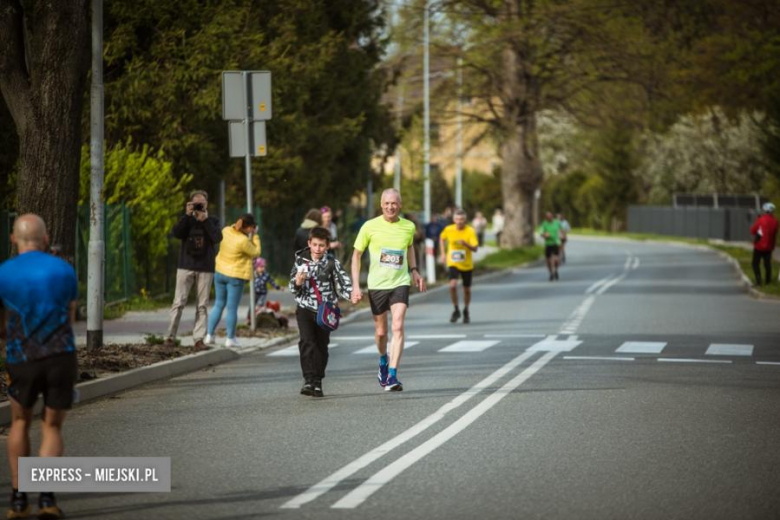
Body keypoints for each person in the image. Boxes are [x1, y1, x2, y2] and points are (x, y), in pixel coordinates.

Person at [0, 215, 77, 520]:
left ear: (12, 239)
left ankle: (19, 501)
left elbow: (1, 325)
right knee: (52, 426)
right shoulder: (65, 270)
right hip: (60, 357)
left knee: (19, 423)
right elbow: (70, 317)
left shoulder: (3, 272)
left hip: (22, 359)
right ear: (45, 240)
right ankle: (47, 498)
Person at [351, 188, 426, 392]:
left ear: (399, 205)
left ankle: (392, 375)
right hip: (377, 285)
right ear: (381, 205)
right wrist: (356, 286)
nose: (390, 207)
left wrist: (414, 271)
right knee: (381, 331)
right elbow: (356, 255)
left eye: (394, 203)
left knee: (398, 326)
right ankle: (383, 359)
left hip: (400, 282)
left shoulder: (408, 227)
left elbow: (409, 247)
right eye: (387, 203)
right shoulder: (369, 226)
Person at [290, 227, 352, 397]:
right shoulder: (300, 262)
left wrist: (352, 295)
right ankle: (309, 380)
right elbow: (293, 289)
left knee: (321, 346)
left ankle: (318, 381)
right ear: (309, 243)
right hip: (305, 308)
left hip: (326, 311)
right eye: (315, 245)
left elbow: (343, 283)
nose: (318, 249)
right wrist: (298, 283)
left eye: (322, 245)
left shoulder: (332, 263)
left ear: (327, 246)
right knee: (307, 342)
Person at [166, 190, 222, 350]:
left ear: (206, 204)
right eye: (195, 203)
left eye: (201, 203)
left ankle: (199, 339)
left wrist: (204, 220)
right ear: (190, 204)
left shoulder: (213, 220)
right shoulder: (186, 220)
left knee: (202, 305)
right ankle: (170, 337)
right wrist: (187, 216)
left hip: (205, 268)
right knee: (178, 303)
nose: (198, 206)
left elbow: (218, 238)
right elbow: (176, 233)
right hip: (185, 266)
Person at [206, 214, 260, 348]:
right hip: (235, 276)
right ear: (249, 228)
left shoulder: (225, 230)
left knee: (218, 304)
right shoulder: (243, 241)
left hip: (219, 272)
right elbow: (256, 253)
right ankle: (230, 338)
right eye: (252, 227)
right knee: (232, 308)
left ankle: (209, 336)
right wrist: (256, 236)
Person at [440, 209, 479, 324]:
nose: (459, 222)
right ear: (453, 220)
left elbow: (475, 248)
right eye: (457, 219)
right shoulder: (449, 229)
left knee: (466, 289)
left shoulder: (470, 231)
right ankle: (456, 309)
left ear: (465, 220)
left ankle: (466, 310)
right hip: (453, 262)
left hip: (466, 264)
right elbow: (441, 238)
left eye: (462, 219)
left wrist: (466, 244)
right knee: (452, 285)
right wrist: (443, 253)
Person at [246, 257, 282, 324]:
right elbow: (247, 280)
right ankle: (249, 318)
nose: (262, 268)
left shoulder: (266, 275)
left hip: (263, 293)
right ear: (256, 267)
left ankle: (257, 317)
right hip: (255, 293)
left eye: (263, 267)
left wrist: (278, 287)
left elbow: (271, 282)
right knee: (252, 306)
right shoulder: (253, 274)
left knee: (260, 304)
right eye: (260, 267)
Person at [750, 202, 778, 286]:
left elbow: (753, 230)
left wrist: (757, 220)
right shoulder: (775, 221)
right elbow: (774, 234)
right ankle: (768, 281)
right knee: (767, 264)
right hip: (769, 246)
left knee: (755, 263)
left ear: (765, 210)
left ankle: (758, 281)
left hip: (759, 246)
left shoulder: (761, 219)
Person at [537, 211, 562, 281]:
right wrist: (545, 235)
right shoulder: (544, 224)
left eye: (550, 216)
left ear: (552, 217)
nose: (549, 218)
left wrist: (562, 235)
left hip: (556, 242)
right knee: (548, 260)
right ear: (546, 218)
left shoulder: (556, 223)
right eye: (547, 217)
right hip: (548, 244)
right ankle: (551, 273)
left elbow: (561, 230)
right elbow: (541, 232)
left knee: (556, 259)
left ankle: (556, 270)